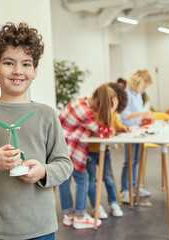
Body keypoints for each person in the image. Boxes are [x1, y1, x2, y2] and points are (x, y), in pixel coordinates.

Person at [0, 22, 73, 240]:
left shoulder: (47, 114)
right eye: (9, 63)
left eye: (26, 64)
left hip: (40, 227)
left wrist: (43, 171)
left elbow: (64, 165)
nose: (18, 71)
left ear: (35, 70)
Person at [58, 83, 118, 229]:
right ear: (98, 102)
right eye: (102, 107)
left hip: (60, 148)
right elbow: (103, 132)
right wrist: (112, 110)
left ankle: (68, 215)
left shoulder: (79, 103)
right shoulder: (86, 112)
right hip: (71, 149)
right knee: (82, 179)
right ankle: (79, 216)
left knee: (64, 181)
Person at [86, 82, 132, 219]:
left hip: (103, 151)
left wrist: (123, 128)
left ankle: (113, 203)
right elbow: (105, 130)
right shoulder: (93, 112)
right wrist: (111, 112)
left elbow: (114, 125)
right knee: (92, 180)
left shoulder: (112, 112)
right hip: (89, 151)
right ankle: (96, 206)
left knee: (109, 178)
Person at [120, 69, 153, 203]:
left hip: (138, 130)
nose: (144, 90)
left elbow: (138, 112)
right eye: (144, 87)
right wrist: (142, 114)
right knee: (129, 161)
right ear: (138, 82)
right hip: (128, 132)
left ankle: (134, 187)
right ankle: (125, 191)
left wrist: (145, 118)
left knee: (136, 161)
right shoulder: (126, 94)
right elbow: (125, 115)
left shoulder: (138, 95)